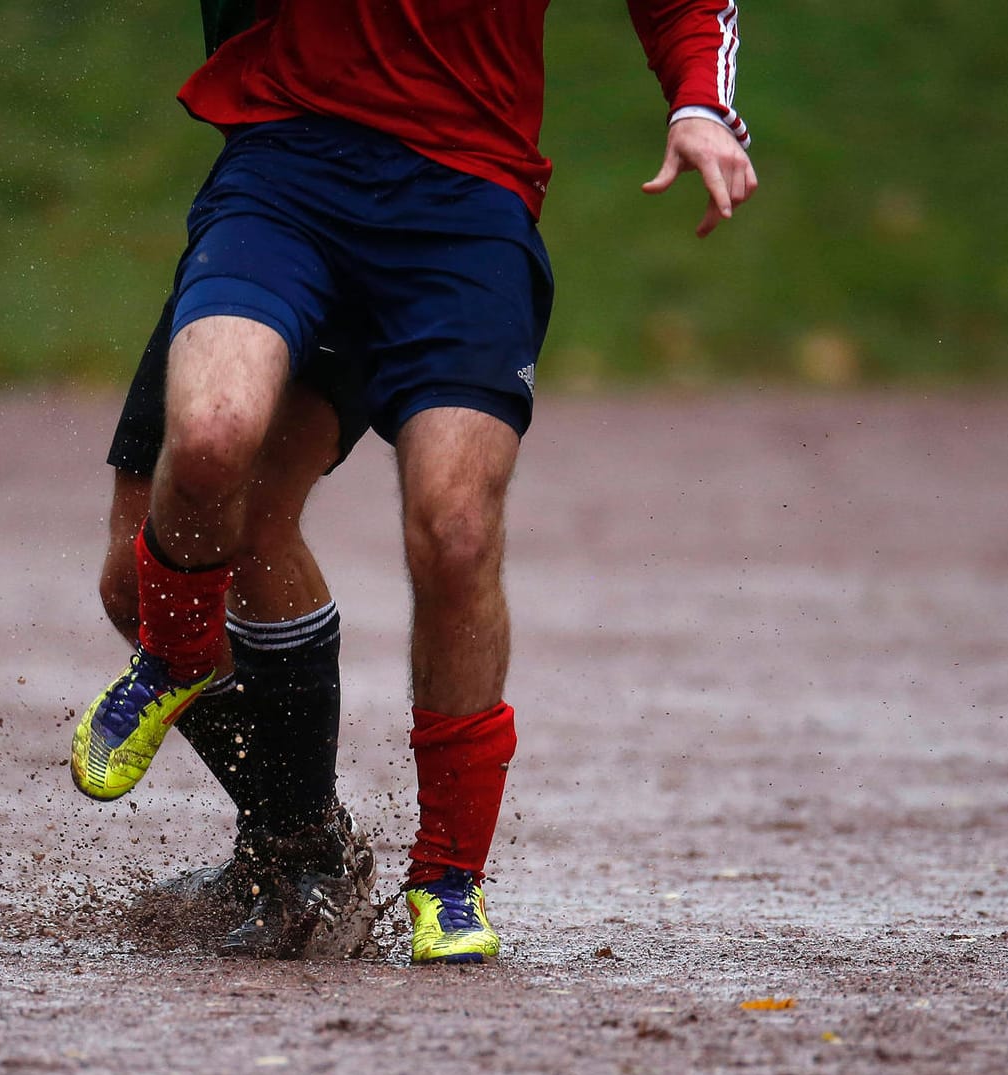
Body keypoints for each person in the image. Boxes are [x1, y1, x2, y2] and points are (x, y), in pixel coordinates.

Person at [72, 0, 757, 965]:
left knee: (401, 528)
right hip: (287, 166)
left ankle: (338, 861)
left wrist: (701, 102)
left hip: (452, 199)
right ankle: (295, 830)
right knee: (132, 576)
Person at [98, 295, 377, 958]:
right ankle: (290, 836)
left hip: (368, 245)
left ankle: (301, 855)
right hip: (243, 237)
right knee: (133, 580)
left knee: (255, 521)